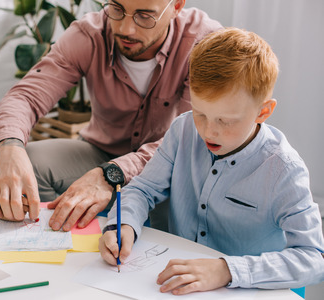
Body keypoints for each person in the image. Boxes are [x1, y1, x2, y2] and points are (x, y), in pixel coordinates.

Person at [98, 27, 324, 294]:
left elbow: (313, 258)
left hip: (248, 290)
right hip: (175, 285)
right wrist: (123, 224)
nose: (208, 131)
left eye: (225, 121)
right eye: (200, 113)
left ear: (263, 111)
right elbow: (144, 189)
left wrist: (227, 269)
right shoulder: (183, 130)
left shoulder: (284, 170)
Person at [0, 0, 222, 229]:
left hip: (168, 166)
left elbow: (188, 137)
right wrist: (9, 147)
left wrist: (111, 174)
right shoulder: (89, 34)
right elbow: (26, 96)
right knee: (31, 159)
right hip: (100, 152)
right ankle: (54, 243)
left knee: (178, 216)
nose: (125, 29)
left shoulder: (205, 42)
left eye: (144, 15)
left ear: (176, 7)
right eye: (117, 8)